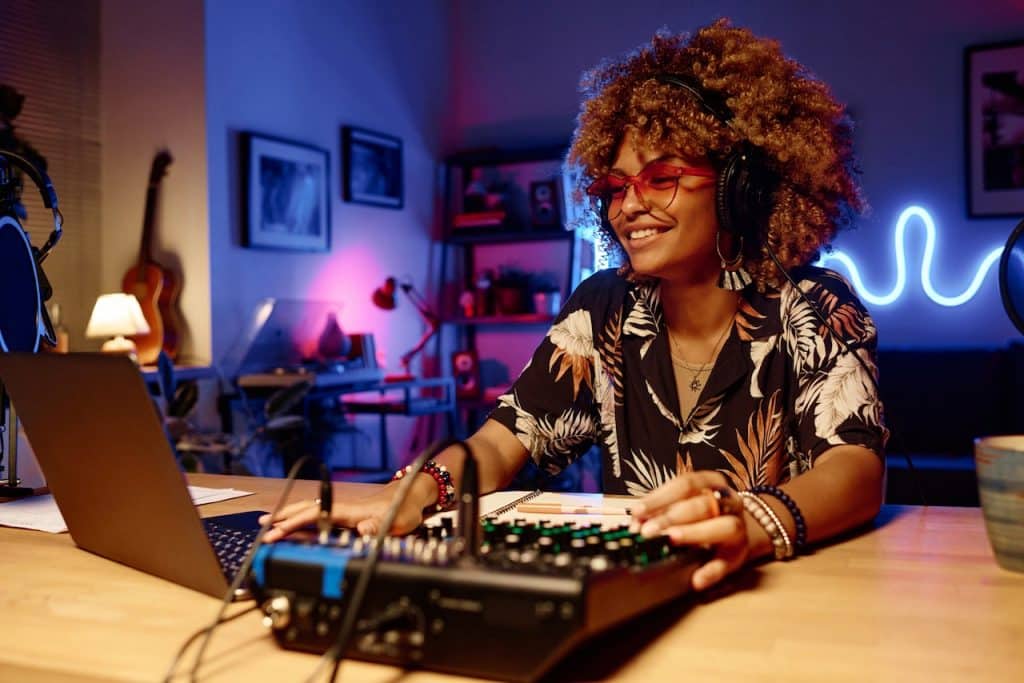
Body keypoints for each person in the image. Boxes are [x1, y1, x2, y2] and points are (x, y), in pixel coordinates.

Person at [262, 19, 887, 592]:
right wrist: (415, 492)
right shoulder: (602, 309)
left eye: (661, 178)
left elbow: (856, 467)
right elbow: (501, 443)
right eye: (615, 187)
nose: (628, 207)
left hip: (781, 599)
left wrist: (756, 523)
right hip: (638, 596)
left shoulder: (815, 305)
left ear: (736, 189)